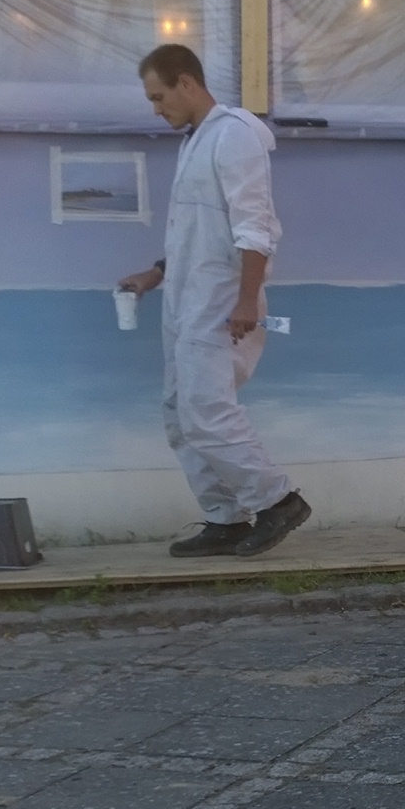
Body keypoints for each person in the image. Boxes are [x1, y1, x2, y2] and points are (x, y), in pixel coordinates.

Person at [118, 43, 312, 557]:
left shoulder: (234, 135)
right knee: (179, 413)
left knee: (206, 409)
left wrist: (246, 301)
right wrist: (156, 274)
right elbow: (199, 232)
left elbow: (255, 228)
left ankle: (278, 501)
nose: (156, 109)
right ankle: (224, 519)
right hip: (187, 299)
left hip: (222, 301)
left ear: (186, 83)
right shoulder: (196, 140)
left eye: (159, 97)